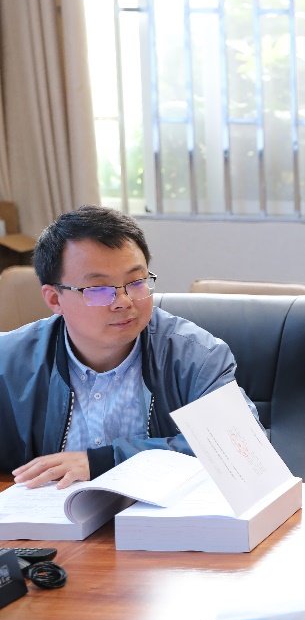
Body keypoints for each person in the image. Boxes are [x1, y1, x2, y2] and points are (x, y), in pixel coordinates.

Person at [0, 206, 253, 488]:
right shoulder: (8, 362)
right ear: (54, 299)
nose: (123, 301)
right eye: (98, 289)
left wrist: (106, 460)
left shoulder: (196, 356)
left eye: (136, 282)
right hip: (46, 513)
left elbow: (241, 446)